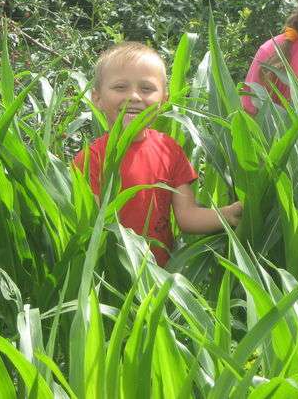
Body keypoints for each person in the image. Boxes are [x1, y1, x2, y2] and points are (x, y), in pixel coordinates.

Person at [74, 41, 242, 266]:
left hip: (162, 277)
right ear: (97, 98)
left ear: (164, 99)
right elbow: (88, 229)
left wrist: (229, 214)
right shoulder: (89, 160)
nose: (134, 96)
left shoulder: (170, 150)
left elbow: (188, 217)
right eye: (120, 87)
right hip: (107, 278)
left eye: (146, 89)